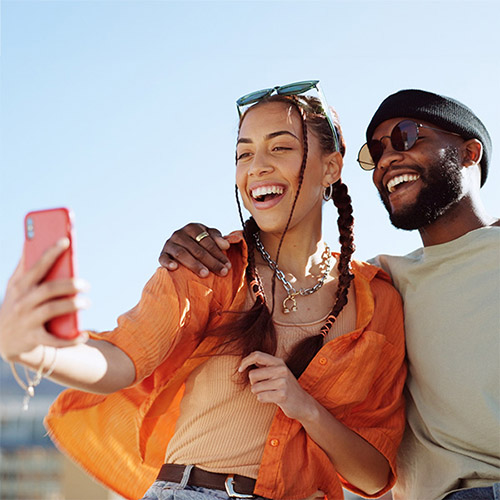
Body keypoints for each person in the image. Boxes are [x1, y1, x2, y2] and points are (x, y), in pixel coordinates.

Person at [0, 81, 406, 500]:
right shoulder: (208, 266)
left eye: (280, 148)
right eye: (243, 153)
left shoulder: (378, 303)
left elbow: (375, 476)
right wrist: (38, 350)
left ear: (332, 167)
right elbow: (122, 359)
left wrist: (304, 407)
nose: (257, 167)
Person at [158, 89, 500, 500]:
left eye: (408, 136)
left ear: (469, 152)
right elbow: (298, 267)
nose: (388, 158)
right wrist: (194, 240)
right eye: (375, 151)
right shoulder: (381, 283)